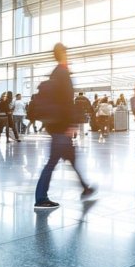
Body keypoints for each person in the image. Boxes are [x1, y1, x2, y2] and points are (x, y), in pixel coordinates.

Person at [34, 43, 96, 210]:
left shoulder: (55, 73)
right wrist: (71, 124)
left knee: (71, 159)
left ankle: (85, 188)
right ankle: (40, 197)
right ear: (63, 54)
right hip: (62, 126)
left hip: (56, 125)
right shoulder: (63, 73)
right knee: (53, 161)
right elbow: (67, 101)